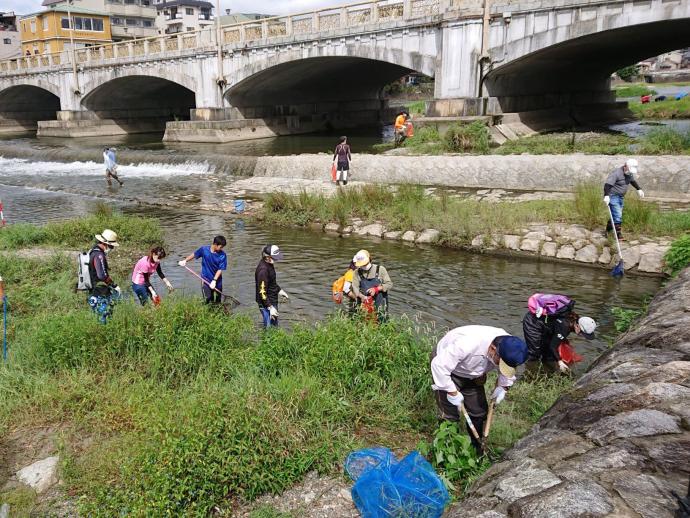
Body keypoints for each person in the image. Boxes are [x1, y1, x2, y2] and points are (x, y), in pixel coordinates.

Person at [430, 326, 528, 453]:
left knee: (479, 412)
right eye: (500, 363)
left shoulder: (510, 347)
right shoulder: (466, 344)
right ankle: (446, 451)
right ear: (493, 349)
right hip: (449, 369)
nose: (500, 366)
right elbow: (439, 366)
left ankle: (477, 448)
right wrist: (452, 392)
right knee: (449, 415)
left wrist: (503, 387)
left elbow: (508, 371)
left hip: (475, 372)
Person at [523, 308, 597, 376]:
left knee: (550, 355)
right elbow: (553, 346)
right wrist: (560, 362)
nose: (582, 336)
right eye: (582, 333)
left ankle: (547, 372)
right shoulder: (565, 326)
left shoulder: (573, 319)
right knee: (534, 353)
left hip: (545, 325)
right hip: (533, 322)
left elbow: (557, 332)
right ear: (577, 326)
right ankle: (530, 374)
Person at [178, 235, 227, 305]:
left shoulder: (223, 255)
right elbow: (194, 254)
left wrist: (214, 280)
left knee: (217, 301)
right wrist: (185, 261)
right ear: (215, 244)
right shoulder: (204, 250)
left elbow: (220, 269)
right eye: (221, 247)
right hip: (205, 280)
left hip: (217, 282)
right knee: (207, 299)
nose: (222, 249)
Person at [87, 229, 122, 324]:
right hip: (100, 290)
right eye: (111, 246)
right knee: (104, 316)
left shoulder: (93, 251)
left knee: (96, 315)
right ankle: (105, 332)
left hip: (92, 289)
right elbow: (102, 275)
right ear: (105, 243)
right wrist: (113, 285)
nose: (112, 248)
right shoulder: (99, 255)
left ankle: (98, 332)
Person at [604, 158, 644, 240]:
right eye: (629, 170)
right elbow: (607, 185)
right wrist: (606, 196)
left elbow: (632, 181)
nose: (630, 172)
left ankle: (608, 231)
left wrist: (639, 189)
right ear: (625, 166)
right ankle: (618, 235)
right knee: (618, 215)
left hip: (621, 197)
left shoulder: (629, 173)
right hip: (613, 196)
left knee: (616, 215)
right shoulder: (617, 173)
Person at [350, 249, 392, 323]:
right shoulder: (356, 272)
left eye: (365, 264)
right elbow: (355, 288)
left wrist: (377, 289)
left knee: (381, 321)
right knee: (364, 322)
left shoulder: (380, 269)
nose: (363, 266)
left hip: (380, 302)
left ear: (370, 259)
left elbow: (389, 284)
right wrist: (362, 297)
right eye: (362, 265)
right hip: (364, 302)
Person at [255, 244, 288, 328]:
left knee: (274, 326)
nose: (277, 259)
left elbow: (271, 282)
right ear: (267, 257)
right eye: (275, 257)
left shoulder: (269, 264)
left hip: (272, 299)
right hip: (266, 303)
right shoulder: (263, 270)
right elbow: (262, 292)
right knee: (268, 328)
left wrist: (280, 290)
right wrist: (270, 307)